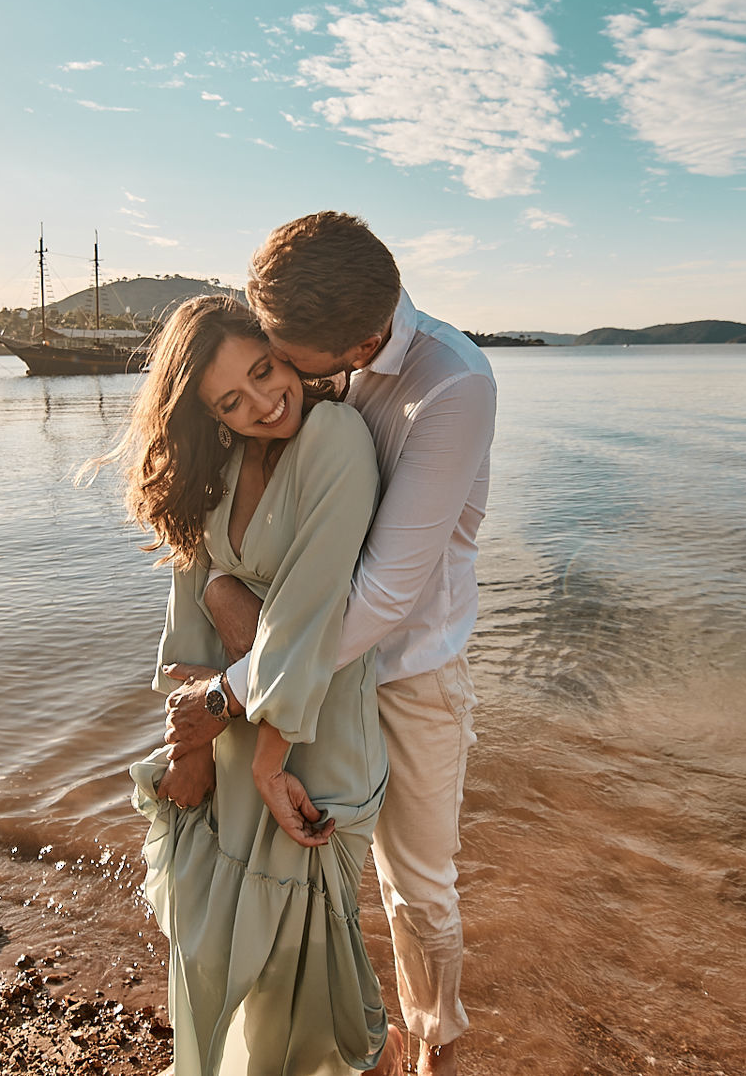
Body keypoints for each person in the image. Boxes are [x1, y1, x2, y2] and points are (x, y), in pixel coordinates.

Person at [163, 212, 495, 1076]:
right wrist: (227, 597)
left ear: (348, 345)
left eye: (280, 361)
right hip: (298, 671)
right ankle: (344, 1041)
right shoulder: (311, 382)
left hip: (405, 671)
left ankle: (437, 1049)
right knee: (309, 877)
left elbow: (385, 593)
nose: (275, 385)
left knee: (418, 886)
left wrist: (230, 693)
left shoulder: (450, 385)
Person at [114, 294, 403, 1076]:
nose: (263, 404)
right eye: (230, 401)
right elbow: (192, 581)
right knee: (221, 952)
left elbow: (312, 614)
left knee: (314, 982)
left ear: (285, 350)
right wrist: (194, 748)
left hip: (311, 740)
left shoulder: (335, 438)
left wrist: (269, 759)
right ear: (208, 415)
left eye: (265, 371)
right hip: (230, 731)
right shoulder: (228, 457)